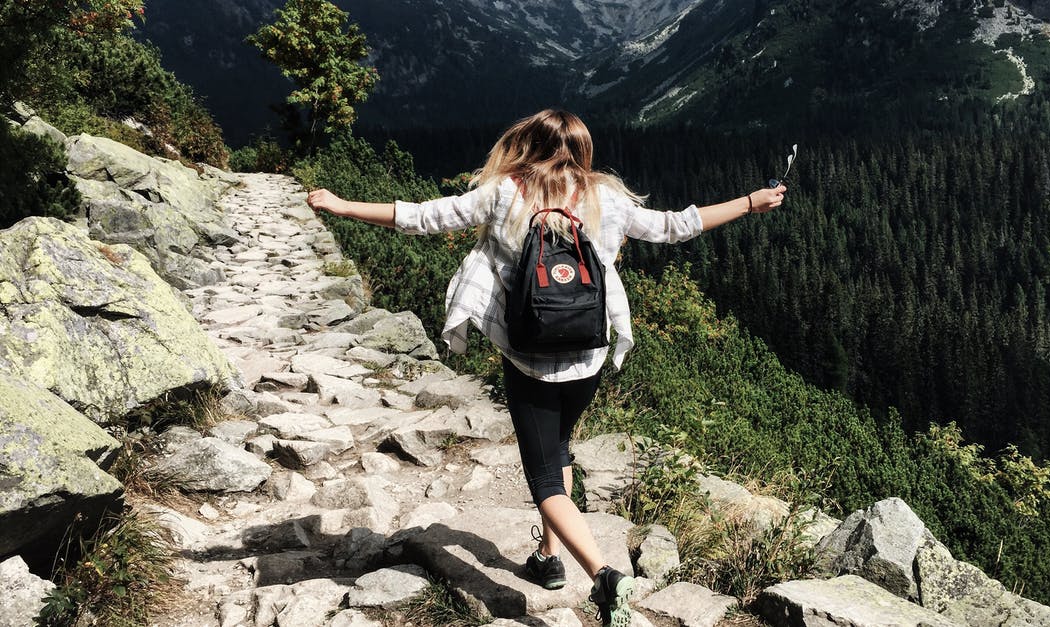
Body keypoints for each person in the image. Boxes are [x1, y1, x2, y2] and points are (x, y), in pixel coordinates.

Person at [306, 109, 786, 626]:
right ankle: (548, 558)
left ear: (527, 146)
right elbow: (676, 227)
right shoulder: (607, 198)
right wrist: (750, 202)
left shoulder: (504, 192)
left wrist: (343, 206)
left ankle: (603, 577)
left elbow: (424, 217)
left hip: (529, 358)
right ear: (583, 151)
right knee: (559, 449)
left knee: (544, 479)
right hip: (588, 354)